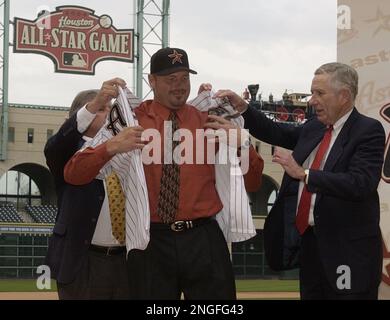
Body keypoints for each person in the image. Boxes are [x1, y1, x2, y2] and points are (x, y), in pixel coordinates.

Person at [63, 47, 264, 300]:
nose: (179, 86)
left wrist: (243, 145)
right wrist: (110, 146)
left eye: (184, 78)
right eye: (171, 79)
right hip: (151, 240)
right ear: (152, 81)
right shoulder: (129, 120)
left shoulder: (211, 118)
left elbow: (254, 183)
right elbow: (73, 173)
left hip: (204, 238)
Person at [210, 62, 386, 300]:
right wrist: (244, 109)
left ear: (344, 96)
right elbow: (276, 132)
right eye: (312, 92)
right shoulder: (314, 127)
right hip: (311, 248)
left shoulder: (368, 130)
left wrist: (305, 174)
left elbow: (360, 183)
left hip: (348, 253)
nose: (312, 100)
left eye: (320, 93)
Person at [44, 88, 131, 299]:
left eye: (110, 107)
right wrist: (93, 105)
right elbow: (54, 148)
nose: (109, 112)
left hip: (126, 261)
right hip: (83, 261)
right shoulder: (67, 151)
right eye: (102, 109)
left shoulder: (127, 150)